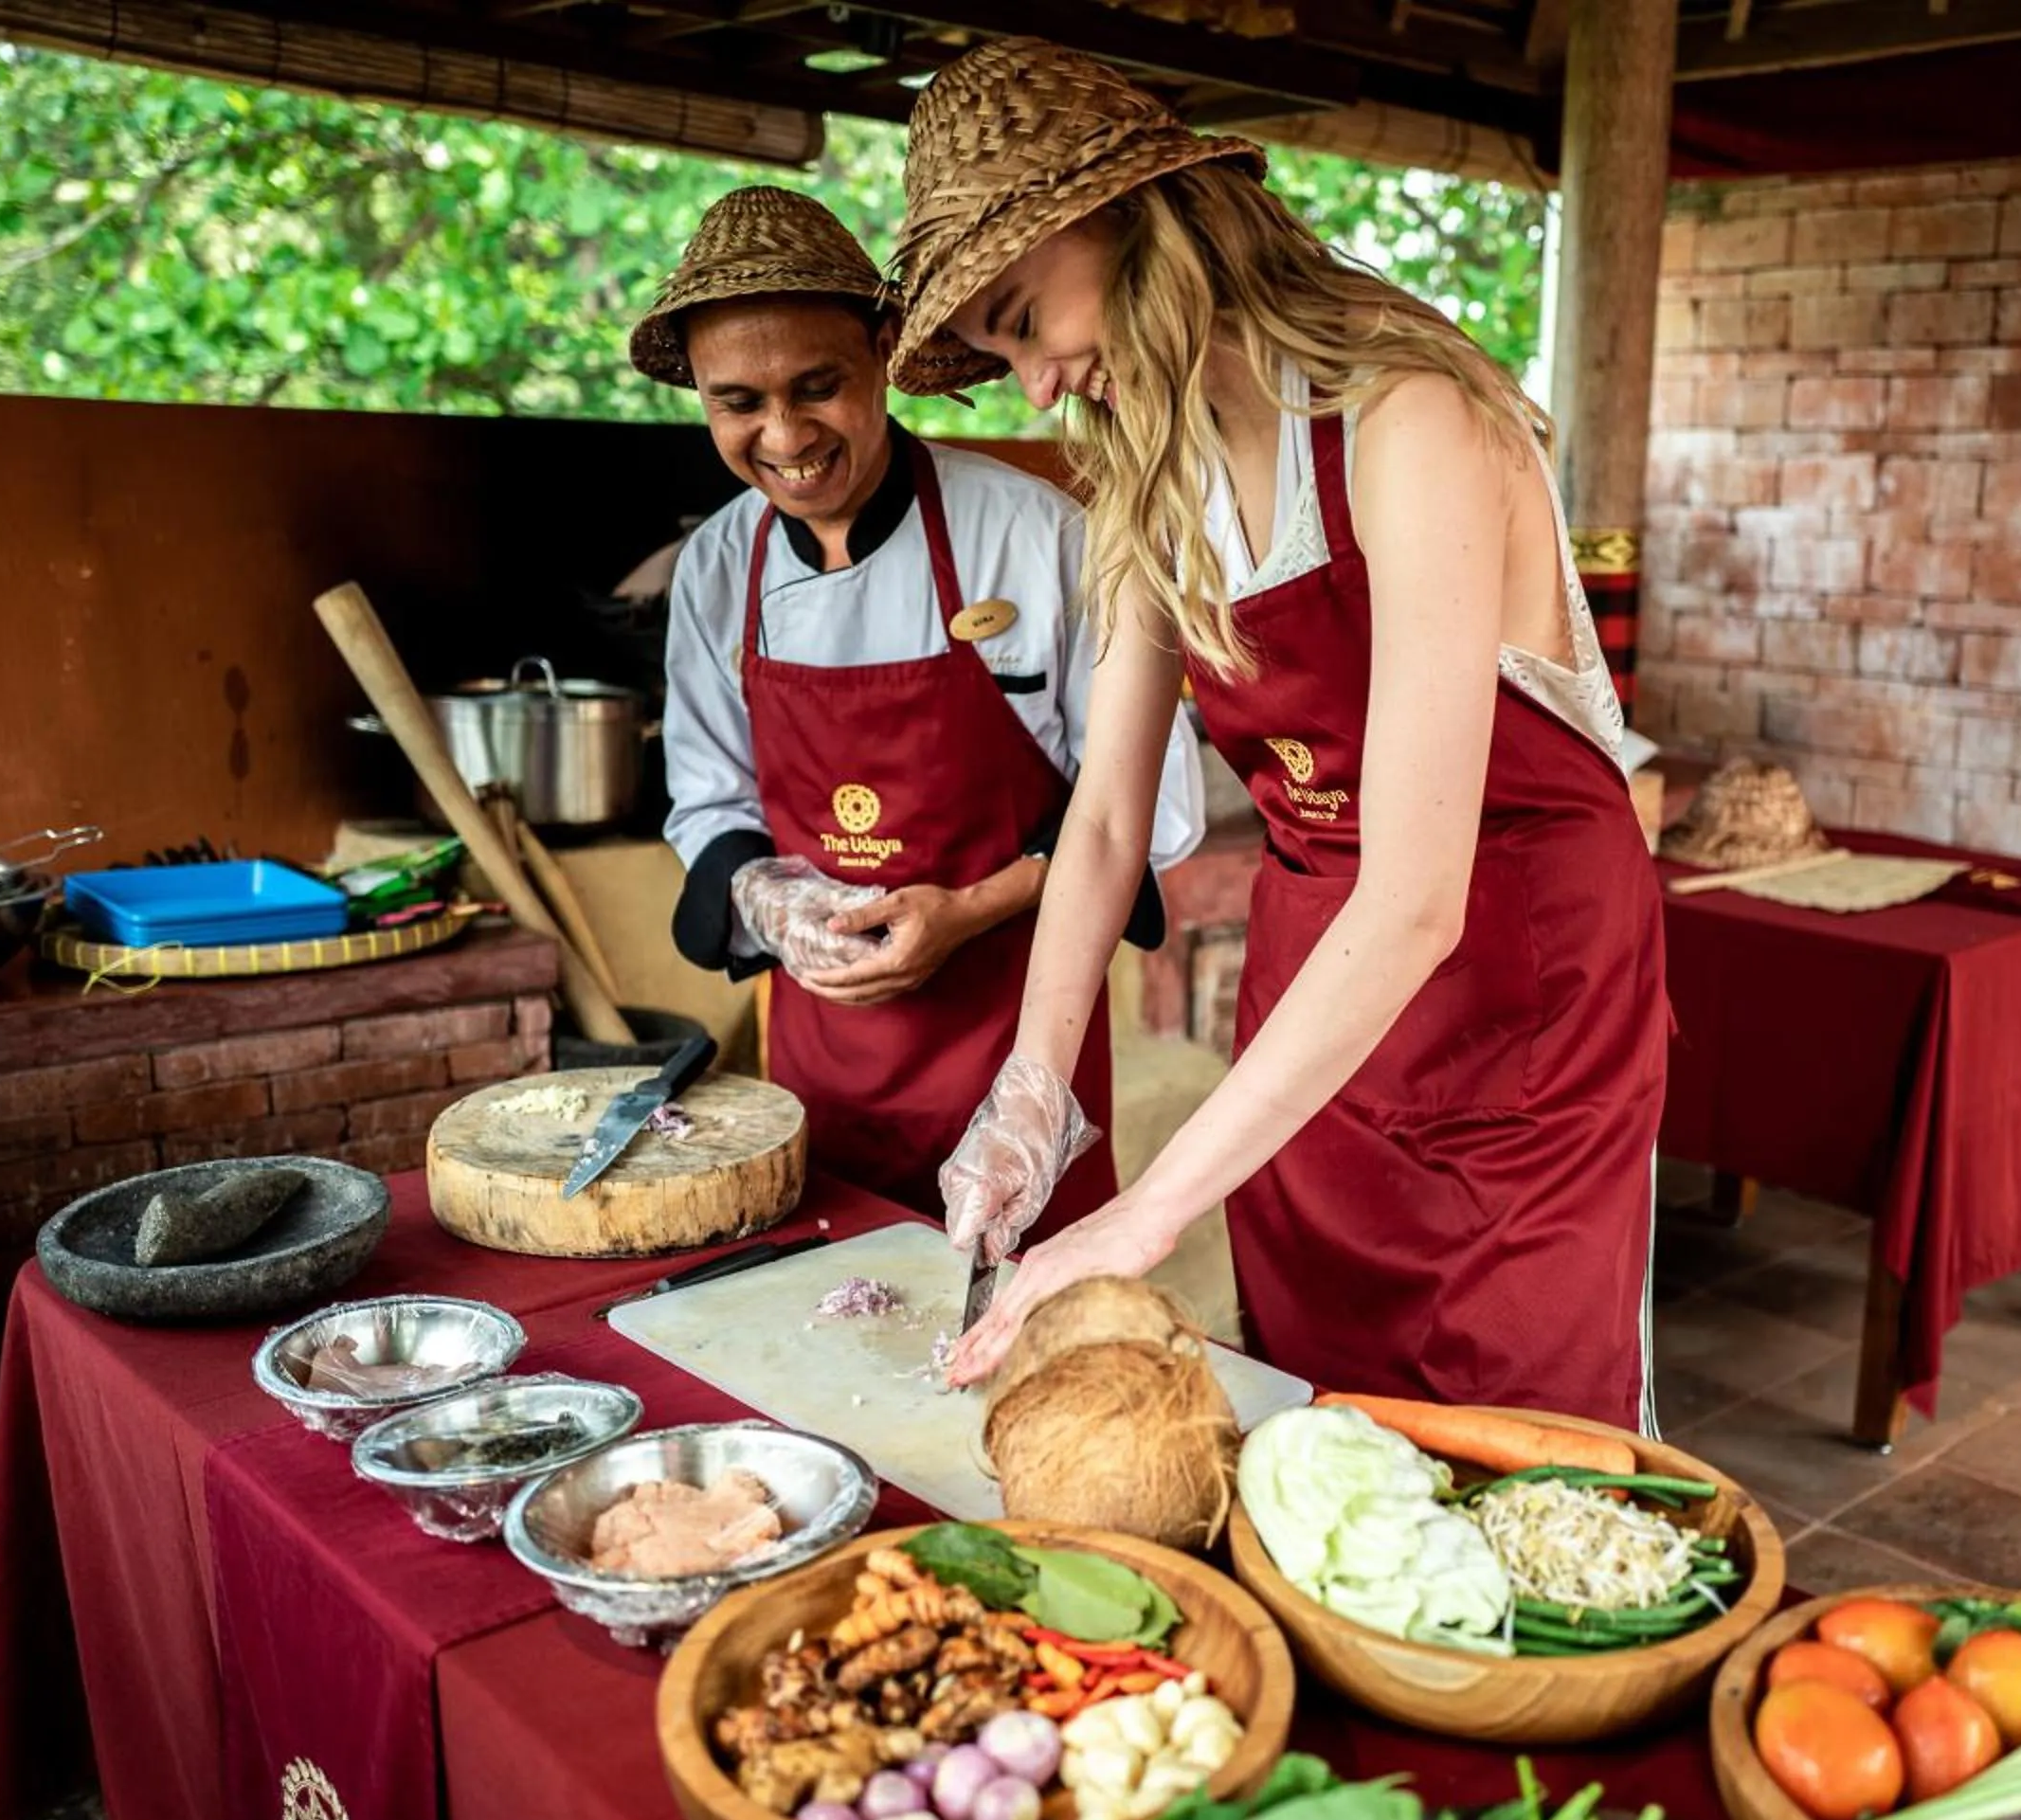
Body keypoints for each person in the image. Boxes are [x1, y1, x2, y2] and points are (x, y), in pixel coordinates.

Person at [898, 42, 1668, 1431]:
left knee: (1508, 1437)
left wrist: (1144, 1215)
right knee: (1318, 1418)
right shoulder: (1152, 466)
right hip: (1323, 992)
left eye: (1023, 318)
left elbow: (1422, 896)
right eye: (999, 353)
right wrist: (1031, 1087)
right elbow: (1109, 821)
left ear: (1134, 213)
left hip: (1516, 998)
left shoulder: (1409, 419)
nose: (1034, 388)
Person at [636, 186, 1206, 1233]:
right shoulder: (721, 565)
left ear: (886, 350)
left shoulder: (1037, 538)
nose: (785, 434)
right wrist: (775, 904)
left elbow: (1148, 808)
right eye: (738, 403)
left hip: (1019, 1046)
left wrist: (967, 911)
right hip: (821, 1061)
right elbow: (706, 799)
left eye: (819, 386)